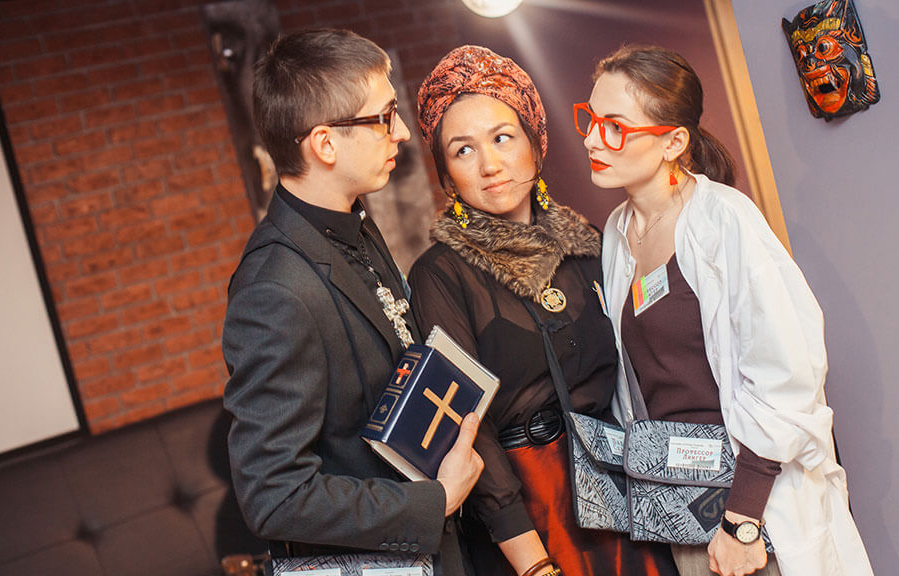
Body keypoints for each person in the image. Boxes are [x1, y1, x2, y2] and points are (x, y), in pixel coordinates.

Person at [577, 44, 874, 576]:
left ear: (673, 142)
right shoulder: (618, 234)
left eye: (615, 126)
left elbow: (788, 375)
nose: (593, 139)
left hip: (754, 514)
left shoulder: (725, 220)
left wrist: (743, 520)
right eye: (591, 119)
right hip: (685, 511)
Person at [221, 29, 483, 576]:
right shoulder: (273, 289)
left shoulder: (353, 222)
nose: (403, 133)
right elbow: (274, 495)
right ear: (324, 144)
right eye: (384, 117)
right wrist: (433, 503)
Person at [409, 45, 678, 576]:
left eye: (502, 138)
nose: (489, 165)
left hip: (623, 492)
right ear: (447, 173)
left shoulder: (589, 245)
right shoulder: (440, 274)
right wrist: (533, 564)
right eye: (463, 150)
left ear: (534, 144)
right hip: (531, 511)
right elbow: (468, 427)